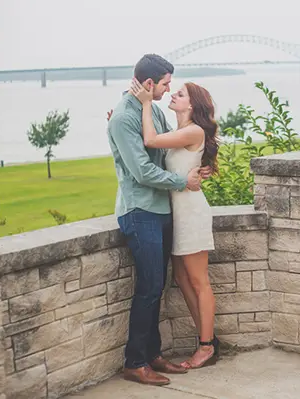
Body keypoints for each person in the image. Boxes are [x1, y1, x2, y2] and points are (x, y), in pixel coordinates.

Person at [106, 54, 210, 387]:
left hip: (162, 211)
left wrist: (198, 162)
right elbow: (142, 171)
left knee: (157, 286)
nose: (168, 89)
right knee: (149, 287)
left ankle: (152, 355)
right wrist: (184, 181)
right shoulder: (123, 117)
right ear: (150, 84)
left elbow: (168, 149)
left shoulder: (155, 112)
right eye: (166, 84)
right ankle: (134, 362)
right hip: (140, 211)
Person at [127, 77, 220, 370]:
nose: (173, 95)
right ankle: (208, 340)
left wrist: (143, 104)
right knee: (182, 279)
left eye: (179, 94)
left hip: (191, 213)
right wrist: (119, 124)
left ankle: (206, 346)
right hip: (177, 214)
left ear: (192, 104)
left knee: (198, 281)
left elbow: (150, 140)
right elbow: (154, 142)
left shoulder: (192, 131)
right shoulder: (179, 131)